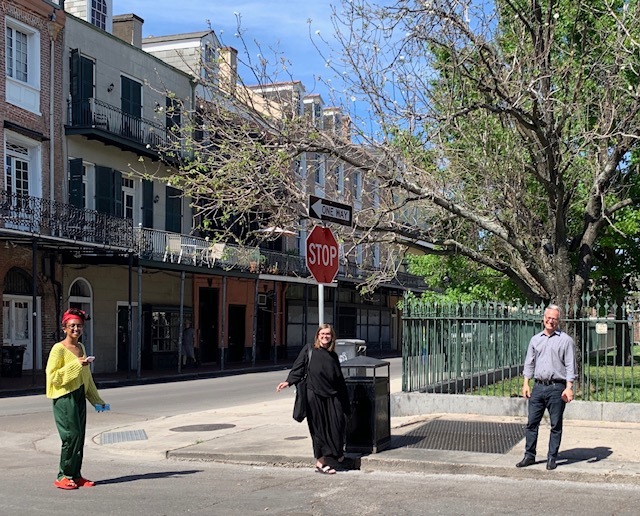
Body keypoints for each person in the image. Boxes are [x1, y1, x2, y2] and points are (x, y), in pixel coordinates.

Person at [46, 308, 108, 489]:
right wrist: (76, 364)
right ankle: (62, 475)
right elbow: (53, 376)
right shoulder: (59, 349)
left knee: (79, 437)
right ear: (64, 328)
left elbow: (86, 378)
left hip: (79, 395)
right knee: (70, 436)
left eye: (79, 326)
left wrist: (97, 400)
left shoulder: (81, 347)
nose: (76, 329)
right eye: (72, 325)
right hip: (64, 397)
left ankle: (75, 475)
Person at [276, 324, 351, 474]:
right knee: (318, 429)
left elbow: (339, 379)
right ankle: (320, 463)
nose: (325, 336)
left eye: (328, 334)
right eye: (322, 334)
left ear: (332, 337)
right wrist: (288, 381)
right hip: (314, 395)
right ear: (317, 336)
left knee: (337, 425)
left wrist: (345, 401)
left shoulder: (333, 355)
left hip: (332, 395)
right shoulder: (309, 349)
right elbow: (299, 367)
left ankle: (338, 455)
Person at [516, 304, 576, 471]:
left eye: (554, 319)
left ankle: (552, 457)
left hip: (557, 387)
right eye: (548, 318)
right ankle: (529, 455)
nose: (551, 321)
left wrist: (569, 387)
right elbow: (529, 362)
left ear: (559, 320)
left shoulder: (565, 340)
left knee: (555, 424)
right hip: (538, 386)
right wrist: (526, 383)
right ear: (543, 318)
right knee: (531, 423)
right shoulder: (536, 340)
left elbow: (571, 365)